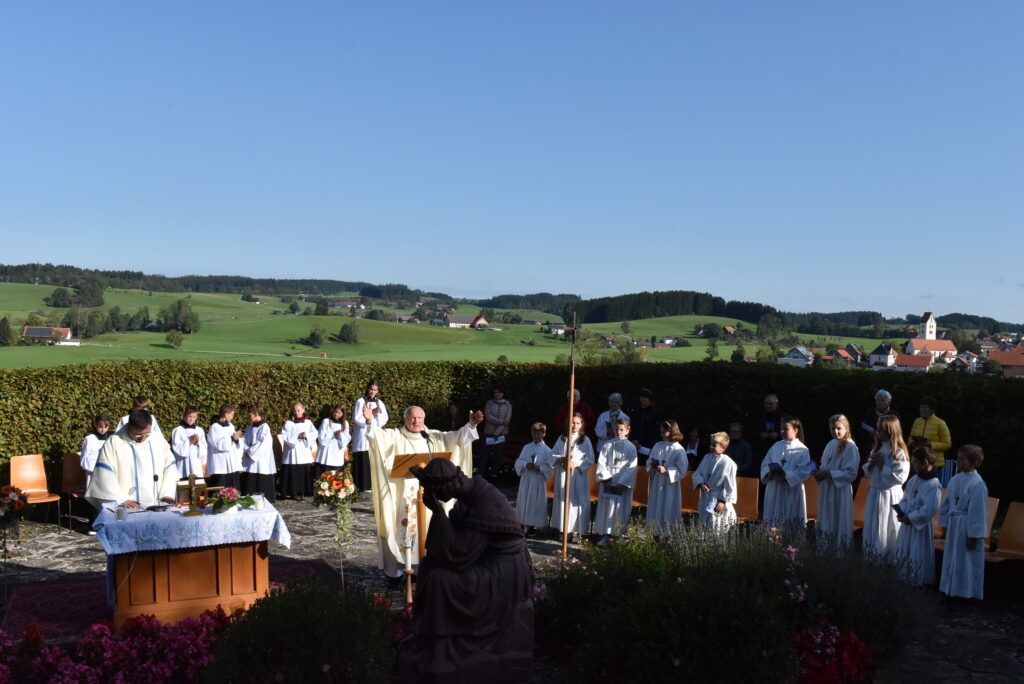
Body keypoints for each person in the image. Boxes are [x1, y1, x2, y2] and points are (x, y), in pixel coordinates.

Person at [400, 458, 534, 684]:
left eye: (434, 491)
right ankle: (427, 640)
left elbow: (458, 556)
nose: (433, 496)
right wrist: (440, 516)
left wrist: (438, 512)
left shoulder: (485, 502)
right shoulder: (469, 496)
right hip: (481, 559)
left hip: (503, 574)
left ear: (446, 487)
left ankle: (442, 649)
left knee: (441, 580)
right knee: (429, 565)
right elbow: (449, 545)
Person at [364, 403, 481, 580]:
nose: (416, 421)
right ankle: (397, 572)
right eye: (412, 418)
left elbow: (458, 438)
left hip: (428, 494)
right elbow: (376, 437)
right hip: (404, 495)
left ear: (424, 419)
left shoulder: (432, 437)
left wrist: (471, 425)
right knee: (403, 530)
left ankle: (423, 568)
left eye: (419, 418)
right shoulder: (395, 436)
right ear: (405, 419)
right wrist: (369, 421)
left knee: (427, 530)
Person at [86, 409, 177, 509]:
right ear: (129, 427)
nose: (143, 438)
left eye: (147, 434)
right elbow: (104, 476)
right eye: (138, 434)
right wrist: (120, 500)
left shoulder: (157, 439)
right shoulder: (114, 442)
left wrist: (167, 493)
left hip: (158, 505)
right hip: (127, 507)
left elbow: (170, 467)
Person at [938, 445, 989, 600]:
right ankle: (949, 589)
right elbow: (946, 504)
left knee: (966, 560)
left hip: (966, 526)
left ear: (974, 462)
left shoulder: (977, 484)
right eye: (958, 458)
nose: (958, 462)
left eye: (962, 459)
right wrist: (944, 524)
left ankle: (966, 593)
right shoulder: (954, 479)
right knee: (951, 557)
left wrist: (973, 535)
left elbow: (978, 512)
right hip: (954, 524)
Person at [861, 415, 910, 563]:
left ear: (890, 430)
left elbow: (900, 478)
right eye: (877, 428)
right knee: (873, 527)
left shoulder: (899, 452)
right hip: (875, 493)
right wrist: (871, 465)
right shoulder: (877, 448)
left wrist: (883, 466)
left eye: (881, 429)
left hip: (890, 495)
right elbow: (868, 474)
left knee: (888, 529)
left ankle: (889, 561)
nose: (877, 432)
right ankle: (872, 558)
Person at [812, 415, 860, 553]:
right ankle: (825, 549)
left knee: (839, 519)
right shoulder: (830, 444)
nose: (835, 431)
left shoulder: (850, 447)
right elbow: (824, 464)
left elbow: (851, 473)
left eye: (839, 428)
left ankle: (840, 551)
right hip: (827, 488)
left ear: (846, 428)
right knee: (826, 517)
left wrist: (829, 474)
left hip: (840, 490)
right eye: (832, 428)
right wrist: (819, 472)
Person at [895, 447, 942, 586]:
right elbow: (905, 499)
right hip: (907, 524)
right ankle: (903, 579)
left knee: (917, 553)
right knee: (904, 551)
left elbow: (929, 510)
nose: (913, 465)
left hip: (920, 528)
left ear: (925, 462)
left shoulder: (933, 485)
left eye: (915, 462)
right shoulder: (914, 479)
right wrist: (902, 512)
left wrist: (911, 517)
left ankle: (918, 582)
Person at [760, 417, 813, 528]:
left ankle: (791, 539)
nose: (782, 431)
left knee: (790, 521)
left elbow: (803, 471)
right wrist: (769, 472)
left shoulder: (802, 450)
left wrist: (786, 477)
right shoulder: (776, 446)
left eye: (786, 429)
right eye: (781, 429)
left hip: (791, 490)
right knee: (772, 520)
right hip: (774, 487)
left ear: (795, 430)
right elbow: (765, 463)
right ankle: (771, 537)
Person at [550, 413, 594, 543]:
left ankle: (577, 531)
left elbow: (590, 459)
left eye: (577, 423)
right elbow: (552, 455)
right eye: (572, 422)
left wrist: (577, 463)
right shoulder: (562, 438)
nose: (575, 425)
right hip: (563, 474)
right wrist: (561, 459)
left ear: (582, 425)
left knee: (576, 502)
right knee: (564, 500)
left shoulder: (585, 440)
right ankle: (565, 530)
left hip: (578, 476)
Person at [594, 419, 638, 545]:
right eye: (616, 429)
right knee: (607, 508)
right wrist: (607, 479)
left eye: (621, 429)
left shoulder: (631, 447)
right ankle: (606, 535)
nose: (618, 432)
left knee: (621, 510)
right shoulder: (607, 445)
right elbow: (601, 463)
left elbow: (632, 467)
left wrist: (621, 483)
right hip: (609, 481)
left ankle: (620, 536)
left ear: (627, 430)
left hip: (622, 484)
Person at [645, 420, 686, 538]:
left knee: (668, 507)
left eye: (664, 432)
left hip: (670, 485)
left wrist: (667, 470)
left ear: (672, 431)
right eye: (661, 432)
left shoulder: (679, 449)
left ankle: (668, 536)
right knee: (655, 506)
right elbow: (649, 461)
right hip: (657, 482)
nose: (662, 434)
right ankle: (654, 534)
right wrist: (652, 465)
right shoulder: (658, 445)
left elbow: (682, 471)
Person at [692, 431, 738, 532]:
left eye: (714, 445)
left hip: (717, 498)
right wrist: (701, 483)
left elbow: (730, 485)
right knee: (703, 525)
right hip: (705, 496)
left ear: (722, 447)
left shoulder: (728, 463)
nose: (711, 447)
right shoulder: (707, 457)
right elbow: (697, 473)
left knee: (716, 526)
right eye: (711, 444)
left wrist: (722, 501)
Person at [512, 423, 553, 532]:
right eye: (534, 433)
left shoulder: (547, 451)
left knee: (535, 501)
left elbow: (550, 467)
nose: (536, 436)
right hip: (527, 478)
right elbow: (519, 461)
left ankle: (533, 524)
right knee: (524, 499)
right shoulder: (526, 447)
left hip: (538, 480)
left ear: (543, 434)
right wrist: (526, 464)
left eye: (539, 433)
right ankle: (522, 522)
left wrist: (540, 469)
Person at [351, 380, 389, 492]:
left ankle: (372, 484)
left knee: (373, 458)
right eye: (371, 389)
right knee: (363, 457)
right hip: (362, 434)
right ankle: (361, 485)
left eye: (375, 390)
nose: (373, 392)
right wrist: (370, 415)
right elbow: (357, 418)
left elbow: (384, 418)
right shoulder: (360, 401)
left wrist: (375, 416)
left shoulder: (379, 402)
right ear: (367, 389)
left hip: (374, 433)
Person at [908, 396, 954, 487]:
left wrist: (930, 444)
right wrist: (912, 443)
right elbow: (910, 437)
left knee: (931, 487)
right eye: (921, 407)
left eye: (925, 407)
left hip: (934, 463)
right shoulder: (917, 421)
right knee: (915, 487)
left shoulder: (940, 423)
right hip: (917, 461)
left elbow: (947, 443)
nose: (922, 410)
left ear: (932, 409)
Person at [281, 402, 316, 500]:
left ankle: (304, 492)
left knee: (303, 471)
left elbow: (315, 433)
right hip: (292, 452)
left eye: (298, 410)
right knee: (293, 472)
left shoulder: (308, 422)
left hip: (304, 451)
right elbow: (285, 436)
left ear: (303, 410)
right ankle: (292, 492)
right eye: (295, 411)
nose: (297, 413)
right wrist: (297, 436)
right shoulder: (288, 423)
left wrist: (306, 435)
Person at [858, 389, 900, 472]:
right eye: (877, 400)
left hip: (890, 447)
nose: (879, 402)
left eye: (882, 400)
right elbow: (863, 431)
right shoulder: (870, 414)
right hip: (871, 447)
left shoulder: (894, 415)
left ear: (888, 402)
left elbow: (897, 432)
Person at [242, 404, 276, 502]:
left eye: (250, 414)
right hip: (250, 460)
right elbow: (244, 440)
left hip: (261, 460)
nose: (248, 416)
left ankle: (264, 502)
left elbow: (262, 444)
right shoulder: (250, 427)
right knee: (250, 480)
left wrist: (249, 451)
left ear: (256, 414)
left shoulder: (264, 427)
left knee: (260, 479)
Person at [206, 403, 244, 490]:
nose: (232, 417)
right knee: (220, 490)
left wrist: (237, 440)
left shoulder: (231, 426)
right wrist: (232, 438)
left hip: (232, 464)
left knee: (233, 490)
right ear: (226, 413)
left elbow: (236, 444)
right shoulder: (215, 427)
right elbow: (220, 444)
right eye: (231, 415)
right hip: (220, 465)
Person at [480, 388, 513, 480]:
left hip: (501, 434)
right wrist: (502, 421)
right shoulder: (489, 403)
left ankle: (494, 475)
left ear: (503, 394)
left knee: (498, 454)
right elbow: (488, 417)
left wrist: (497, 432)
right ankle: (481, 474)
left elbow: (507, 421)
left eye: (499, 392)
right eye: (495, 392)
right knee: (484, 454)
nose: (497, 394)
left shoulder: (508, 405)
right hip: (488, 433)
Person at [170, 406, 207, 480]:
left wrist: (198, 442)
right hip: (183, 468)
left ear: (196, 417)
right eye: (189, 416)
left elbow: (204, 448)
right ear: (184, 416)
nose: (191, 419)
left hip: (196, 467)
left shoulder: (199, 430)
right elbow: (176, 448)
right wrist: (189, 441)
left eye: (194, 417)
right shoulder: (177, 430)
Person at [316, 405, 351, 478]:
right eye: (335, 412)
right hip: (326, 451)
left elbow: (347, 438)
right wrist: (333, 435)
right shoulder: (326, 421)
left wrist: (340, 435)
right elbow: (320, 435)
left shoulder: (345, 424)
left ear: (343, 414)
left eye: (339, 413)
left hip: (337, 452)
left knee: (336, 476)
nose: (336, 414)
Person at [630, 389, 662, 467]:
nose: (642, 399)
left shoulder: (655, 413)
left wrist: (643, 445)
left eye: (645, 397)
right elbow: (632, 427)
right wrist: (634, 439)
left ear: (650, 399)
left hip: (649, 446)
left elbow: (656, 431)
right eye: (641, 397)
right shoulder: (637, 411)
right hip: (635, 445)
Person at [80, 413, 112, 487]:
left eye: (106, 427)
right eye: (100, 427)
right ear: (95, 425)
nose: (103, 430)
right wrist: (99, 467)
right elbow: (84, 460)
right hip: (94, 475)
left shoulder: (111, 438)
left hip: (109, 474)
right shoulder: (89, 439)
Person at [752, 394, 785, 461]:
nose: (768, 406)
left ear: (776, 404)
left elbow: (789, 431)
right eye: (766, 404)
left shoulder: (784, 417)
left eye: (770, 404)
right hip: (763, 449)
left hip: (780, 447)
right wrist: (760, 434)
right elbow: (752, 431)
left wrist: (778, 434)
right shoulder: (760, 417)